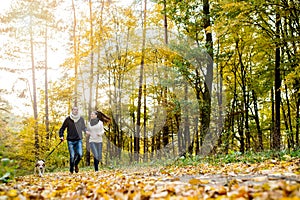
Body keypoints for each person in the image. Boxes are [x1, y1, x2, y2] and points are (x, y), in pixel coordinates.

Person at [59, 106, 86, 174]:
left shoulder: (81, 119)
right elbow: (62, 128)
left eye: (77, 110)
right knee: (72, 156)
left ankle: (76, 164)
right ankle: (71, 171)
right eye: (74, 110)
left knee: (80, 154)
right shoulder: (68, 119)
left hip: (78, 139)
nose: (76, 111)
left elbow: (84, 128)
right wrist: (61, 136)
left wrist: (87, 131)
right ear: (72, 111)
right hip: (70, 140)